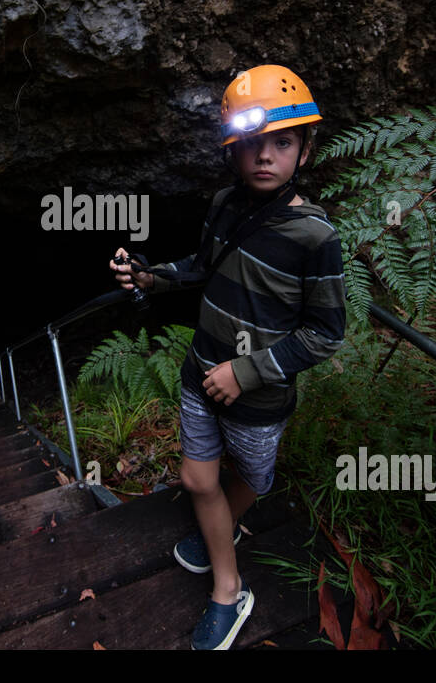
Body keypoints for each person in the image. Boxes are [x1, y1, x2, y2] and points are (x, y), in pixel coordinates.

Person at [109, 64, 346, 649]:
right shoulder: (223, 204)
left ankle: (223, 530)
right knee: (197, 477)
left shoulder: (315, 238)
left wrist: (246, 371)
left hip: (258, 396)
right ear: (232, 152)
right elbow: (200, 267)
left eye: (283, 143)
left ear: (306, 151)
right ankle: (228, 589)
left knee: (253, 479)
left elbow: (326, 332)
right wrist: (149, 277)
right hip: (199, 370)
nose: (265, 157)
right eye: (251, 145)